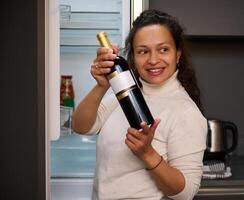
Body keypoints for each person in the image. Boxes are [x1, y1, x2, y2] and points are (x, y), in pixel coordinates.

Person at [72, 9, 207, 200]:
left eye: (163, 49)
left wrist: (147, 153)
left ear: (178, 55)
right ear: (134, 57)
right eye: (143, 51)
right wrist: (101, 86)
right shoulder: (127, 92)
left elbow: (185, 193)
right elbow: (81, 127)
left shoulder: (185, 111)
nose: (153, 60)